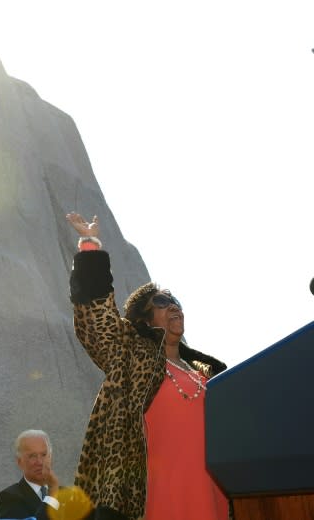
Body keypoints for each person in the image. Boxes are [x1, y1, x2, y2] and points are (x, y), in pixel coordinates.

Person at [65, 212, 229, 520]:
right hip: (154, 495)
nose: (175, 306)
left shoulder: (205, 370)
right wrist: (90, 247)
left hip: (214, 490)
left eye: (176, 300)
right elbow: (96, 320)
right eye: (163, 303)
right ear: (144, 319)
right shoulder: (130, 353)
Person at [0, 430, 62, 520]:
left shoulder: (66, 494)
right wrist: (52, 494)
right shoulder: (8, 497)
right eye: (32, 456)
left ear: (51, 458)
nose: (40, 462)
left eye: (44, 455)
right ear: (19, 462)